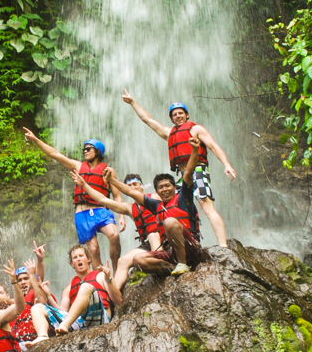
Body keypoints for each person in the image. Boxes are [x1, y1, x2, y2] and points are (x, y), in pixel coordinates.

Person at [122, 88, 236, 247]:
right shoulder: (170, 133)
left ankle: (223, 246)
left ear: (187, 115)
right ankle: (186, 242)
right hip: (182, 177)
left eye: (181, 113)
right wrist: (133, 102)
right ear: (171, 118)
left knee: (207, 207)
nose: (178, 116)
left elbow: (213, 146)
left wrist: (227, 164)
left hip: (198, 171)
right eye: (174, 114)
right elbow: (148, 120)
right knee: (174, 207)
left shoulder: (196, 129)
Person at [23, 127, 126, 272]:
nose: (85, 151)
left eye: (88, 149)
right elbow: (55, 154)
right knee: (94, 250)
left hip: (100, 210)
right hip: (82, 213)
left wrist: (121, 216)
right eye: (84, 149)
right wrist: (35, 140)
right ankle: (99, 280)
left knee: (114, 235)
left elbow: (117, 195)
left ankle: (116, 272)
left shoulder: (107, 171)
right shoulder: (78, 166)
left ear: (98, 151)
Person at [106, 136, 204, 276]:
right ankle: (172, 267)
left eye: (167, 186)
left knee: (169, 222)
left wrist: (195, 150)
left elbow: (188, 173)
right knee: (138, 260)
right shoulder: (156, 205)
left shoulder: (183, 198)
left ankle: (183, 264)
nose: (164, 189)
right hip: (170, 252)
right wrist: (111, 180)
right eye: (160, 187)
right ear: (156, 191)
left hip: (190, 247)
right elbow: (130, 192)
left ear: (174, 187)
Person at [69, 171, 166, 304]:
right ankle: (112, 297)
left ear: (142, 186)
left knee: (153, 235)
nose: (132, 187)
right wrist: (84, 185)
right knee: (122, 261)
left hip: (164, 237)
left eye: (135, 184)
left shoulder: (155, 197)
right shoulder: (129, 208)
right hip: (147, 244)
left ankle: (163, 262)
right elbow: (103, 200)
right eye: (129, 185)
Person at [27, 244, 114, 346]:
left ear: (88, 259)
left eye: (81, 256)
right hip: (79, 323)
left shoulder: (101, 276)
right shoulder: (68, 289)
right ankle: (42, 336)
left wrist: (109, 279)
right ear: (72, 263)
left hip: (99, 318)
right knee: (37, 308)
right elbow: (62, 311)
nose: (78, 259)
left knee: (85, 286)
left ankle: (65, 325)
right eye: (75, 257)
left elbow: (117, 299)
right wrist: (48, 295)